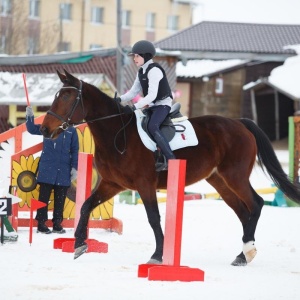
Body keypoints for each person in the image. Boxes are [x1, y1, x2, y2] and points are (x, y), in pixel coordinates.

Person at [117, 40, 175, 171]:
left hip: (163, 104)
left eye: (137, 55)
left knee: (152, 126)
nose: (134, 58)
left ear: (146, 56)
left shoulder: (154, 70)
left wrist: (134, 107)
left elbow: (152, 96)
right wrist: (119, 99)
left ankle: (170, 158)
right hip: (153, 105)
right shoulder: (141, 72)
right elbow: (133, 92)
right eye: (134, 56)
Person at [26, 106, 79, 234]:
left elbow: (75, 150)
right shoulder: (48, 126)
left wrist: (74, 167)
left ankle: (57, 223)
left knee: (60, 199)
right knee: (43, 197)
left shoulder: (71, 130)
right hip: (47, 168)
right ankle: (41, 223)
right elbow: (32, 129)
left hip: (64, 169)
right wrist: (29, 117)